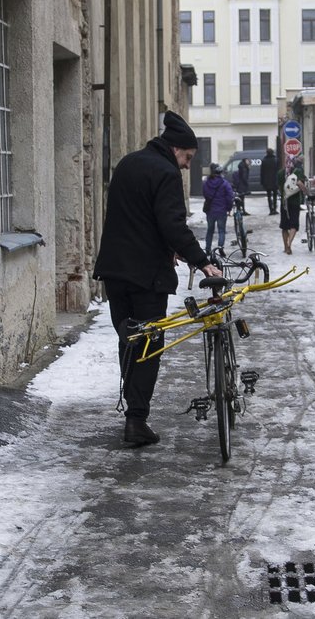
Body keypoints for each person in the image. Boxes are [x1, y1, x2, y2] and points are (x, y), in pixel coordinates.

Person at [94, 111, 223, 447]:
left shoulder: (128, 163)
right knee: (149, 345)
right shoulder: (165, 172)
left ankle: (132, 408)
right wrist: (202, 261)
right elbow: (171, 224)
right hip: (147, 276)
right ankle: (136, 421)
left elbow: (137, 217)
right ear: (175, 148)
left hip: (114, 270)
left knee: (130, 340)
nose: (186, 166)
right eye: (188, 158)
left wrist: (168, 245)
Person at [202, 163, 236, 254]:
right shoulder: (225, 183)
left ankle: (208, 249)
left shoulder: (206, 183)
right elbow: (229, 197)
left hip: (210, 211)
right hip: (221, 210)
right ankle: (220, 248)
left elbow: (205, 194)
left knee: (210, 230)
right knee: (221, 231)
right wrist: (229, 208)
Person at [279, 156, 307, 254]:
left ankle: (285, 246)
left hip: (284, 202)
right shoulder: (298, 172)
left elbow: (279, 187)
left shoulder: (280, 173)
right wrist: (306, 192)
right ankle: (289, 244)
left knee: (284, 226)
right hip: (295, 202)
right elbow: (300, 183)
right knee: (294, 225)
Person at [260, 147, 279, 215]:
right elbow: (278, 170)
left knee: (269, 196)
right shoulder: (276, 160)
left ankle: (271, 209)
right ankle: (275, 208)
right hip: (274, 180)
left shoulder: (264, 160)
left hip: (267, 181)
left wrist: (262, 182)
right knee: (275, 196)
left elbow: (262, 172)